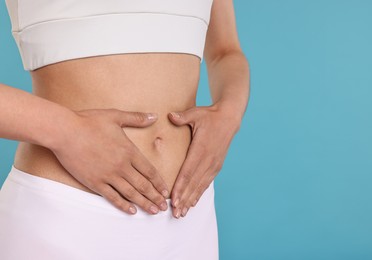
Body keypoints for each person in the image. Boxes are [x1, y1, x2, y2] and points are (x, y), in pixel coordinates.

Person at [0, 0, 250, 259]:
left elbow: (225, 51)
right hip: (65, 213)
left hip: (190, 218)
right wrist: (66, 131)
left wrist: (229, 114)